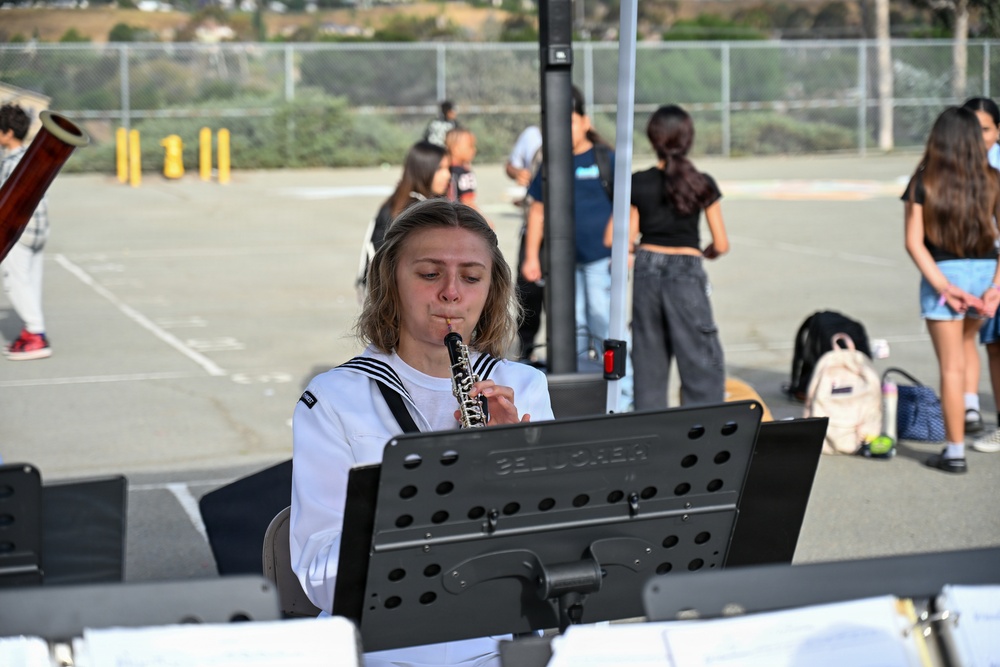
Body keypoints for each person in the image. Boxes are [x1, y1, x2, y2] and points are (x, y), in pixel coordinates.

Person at [292, 199, 553, 667]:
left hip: (497, 646)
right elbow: (319, 575)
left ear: (490, 290)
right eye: (430, 274)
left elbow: (551, 555)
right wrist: (439, 483)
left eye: (471, 277)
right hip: (383, 651)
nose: (452, 293)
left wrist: (512, 465)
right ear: (390, 282)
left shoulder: (525, 388)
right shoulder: (333, 399)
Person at [522, 87, 634, 407]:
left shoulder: (605, 158)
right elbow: (538, 210)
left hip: (602, 260)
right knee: (574, 328)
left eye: (571, 121)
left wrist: (624, 248)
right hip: (564, 264)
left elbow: (626, 206)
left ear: (585, 122)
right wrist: (531, 256)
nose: (565, 128)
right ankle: (582, 397)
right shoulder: (552, 163)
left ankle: (623, 400)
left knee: (604, 323)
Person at [903, 106, 1000, 473]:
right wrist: (995, 287)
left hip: (944, 273)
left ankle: (955, 451)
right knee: (965, 348)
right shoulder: (992, 177)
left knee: (950, 367)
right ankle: (970, 410)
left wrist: (945, 288)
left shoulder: (924, 180)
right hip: (985, 272)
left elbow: (914, 242)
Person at [628, 105, 729, 410]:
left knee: (648, 363)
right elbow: (721, 243)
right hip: (686, 272)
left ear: (653, 139)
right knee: (700, 362)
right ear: (688, 139)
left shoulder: (639, 182)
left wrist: (638, 250)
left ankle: (652, 438)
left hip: (647, 269)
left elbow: (619, 238)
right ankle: (702, 433)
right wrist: (704, 252)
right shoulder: (701, 182)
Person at [357, 141, 452, 294]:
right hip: (392, 295)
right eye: (440, 169)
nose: (447, 175)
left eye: (448, 168)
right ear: (423, 170)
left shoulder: (399, 202)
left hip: (379, 293)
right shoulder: (415, 211)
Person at [962, 97, 1000, 453]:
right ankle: (971, 407)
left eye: (986, 129)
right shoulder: (960, 165)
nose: (979, 137)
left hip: (995, 272)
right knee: (990, 346)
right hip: (984, 269)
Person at [1, 103, 52, 361]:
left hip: (17, 232)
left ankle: (36, 335)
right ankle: (32, 329)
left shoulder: (11, 164)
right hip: (39, 230)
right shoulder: (31, 159)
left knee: (16, 282)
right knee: (31, 282)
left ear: (8, 133)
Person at [505, 125, 544, 361]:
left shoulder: (580, 140)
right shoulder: (532, 135)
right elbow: (510, 165)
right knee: (528, 293)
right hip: (531, 227)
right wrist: (517, 173)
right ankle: (526, 348)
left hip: (566, 233)